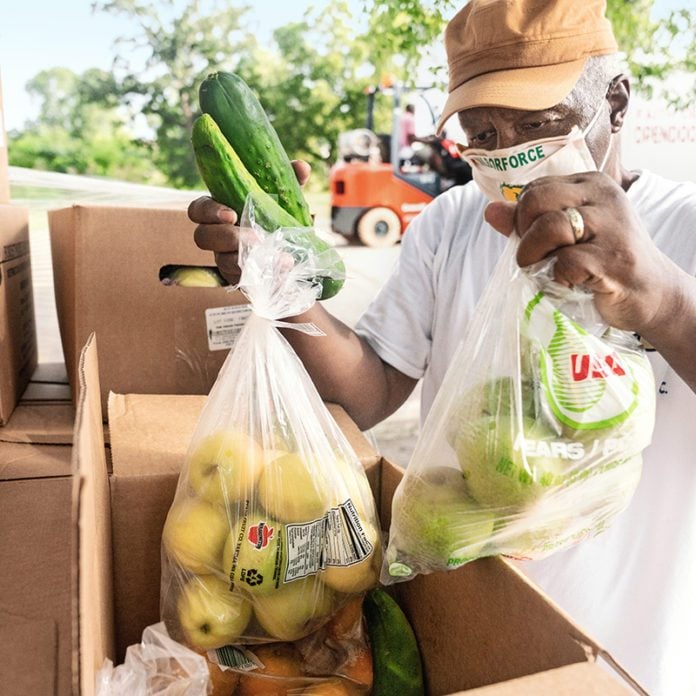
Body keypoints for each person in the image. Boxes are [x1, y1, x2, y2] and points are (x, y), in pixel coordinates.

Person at [189, 1, 696, 692]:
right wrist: (284, 288)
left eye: (537, 122)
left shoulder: (684, 228)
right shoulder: (452, 222)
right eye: (483, 130)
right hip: (467, 621)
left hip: (628, 652)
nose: (507, 147)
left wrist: (663, 299)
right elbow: (369, 391)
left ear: (616, 100)